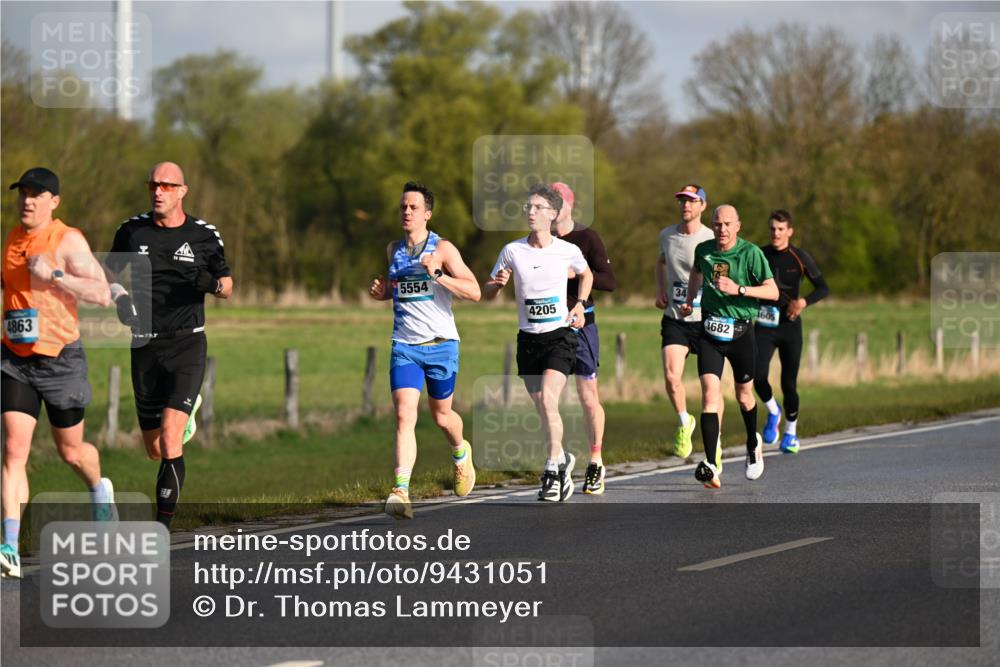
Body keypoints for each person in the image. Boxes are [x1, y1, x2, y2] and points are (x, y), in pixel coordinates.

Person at [1, 167, 116, 579]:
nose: (27, 201)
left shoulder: (67, 240)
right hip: (15, 359)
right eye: (23, 194)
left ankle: (99, 488)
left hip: (60, 361)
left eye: (36, 195)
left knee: (71, 451)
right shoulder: (13, 239)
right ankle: (9, 545)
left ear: (54, 202)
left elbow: (102, 293)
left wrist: (56, 274)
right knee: (14, 451)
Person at [106, 162, 233, 528]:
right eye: (153, 185)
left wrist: (210, 282)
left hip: (187, 345)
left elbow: (228, 288)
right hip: (144, 345)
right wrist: (119, 297)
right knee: (154, 449)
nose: (158, 191)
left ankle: (161, 527)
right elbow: (108, 271)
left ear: (182, 191)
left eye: (166, 185)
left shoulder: (205, 235)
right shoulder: (131, 231)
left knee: (170, 437)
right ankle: (185, 416)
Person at [368, 182, 481, 520]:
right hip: (405, 345)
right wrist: (382, 292)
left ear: (427, 214)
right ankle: (401, 490)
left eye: (413, 207)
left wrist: (439, 275)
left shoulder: (443, 249)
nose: (406, 212)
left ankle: (461, 453)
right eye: (403, 206)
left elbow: (474, 291)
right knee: (405, 415)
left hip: (441, 345)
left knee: (442, 416)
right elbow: (400, 289)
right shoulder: (393, 250)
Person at [485, 184, 593, 502]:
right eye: (527, 207)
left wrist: (580, 304)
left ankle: (550, 472)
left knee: (548, 400)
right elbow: (487, 293)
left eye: (537, 207)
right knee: (543, 409)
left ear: (553, 213)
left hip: (559, 337)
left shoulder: (566, 251)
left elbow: (587, 275)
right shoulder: (512, 250)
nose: (530, 212)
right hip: (528, 340)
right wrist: (497, 285)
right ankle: (562, 459)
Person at [680, 204, 778, 488]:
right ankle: (711, 463)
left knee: (744, 396)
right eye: (717, 224)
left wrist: (740, 289)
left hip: (741, 333)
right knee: (710, 394)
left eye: (727, 224)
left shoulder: (751, 253)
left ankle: (752, 442)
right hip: (710, 331)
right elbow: (696, 273)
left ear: (738, 226)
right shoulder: (704, 250)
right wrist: (690, 299)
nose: (722, 229)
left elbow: (772, 291)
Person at [549, 182, 616, 495]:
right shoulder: (540, 241)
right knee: (546, 397)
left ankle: (595, 460)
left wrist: (575, 273)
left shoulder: (586, 238)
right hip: (547, 327)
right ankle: (558, 460)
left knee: (587, 395)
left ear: (570, 205)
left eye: (557, 201)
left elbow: (609, 281)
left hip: (582, 324)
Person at [655, 184, 721, 462]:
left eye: (692, 201)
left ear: (703, 206)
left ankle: (714, 443)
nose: (685, 206)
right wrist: (660, 290)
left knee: (711, 388)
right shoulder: (666, 236)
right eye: (682, 201)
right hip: (676, 319)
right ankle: (685, 422)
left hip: (706, 319)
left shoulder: (712, 236)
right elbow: (660, 263)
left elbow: (721, 271)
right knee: (671, 377)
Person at [754, 210, 829, 454]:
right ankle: (773, 410)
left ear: (789, 231)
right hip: (764, 324)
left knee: (789, 383)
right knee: (757, 375)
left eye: (780, 229)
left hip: (789, 326)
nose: (776, 233)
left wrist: (803, 302)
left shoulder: (799, 257)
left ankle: (790, 434)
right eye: (772, 229)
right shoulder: (760, 254)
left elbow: (823, 288)